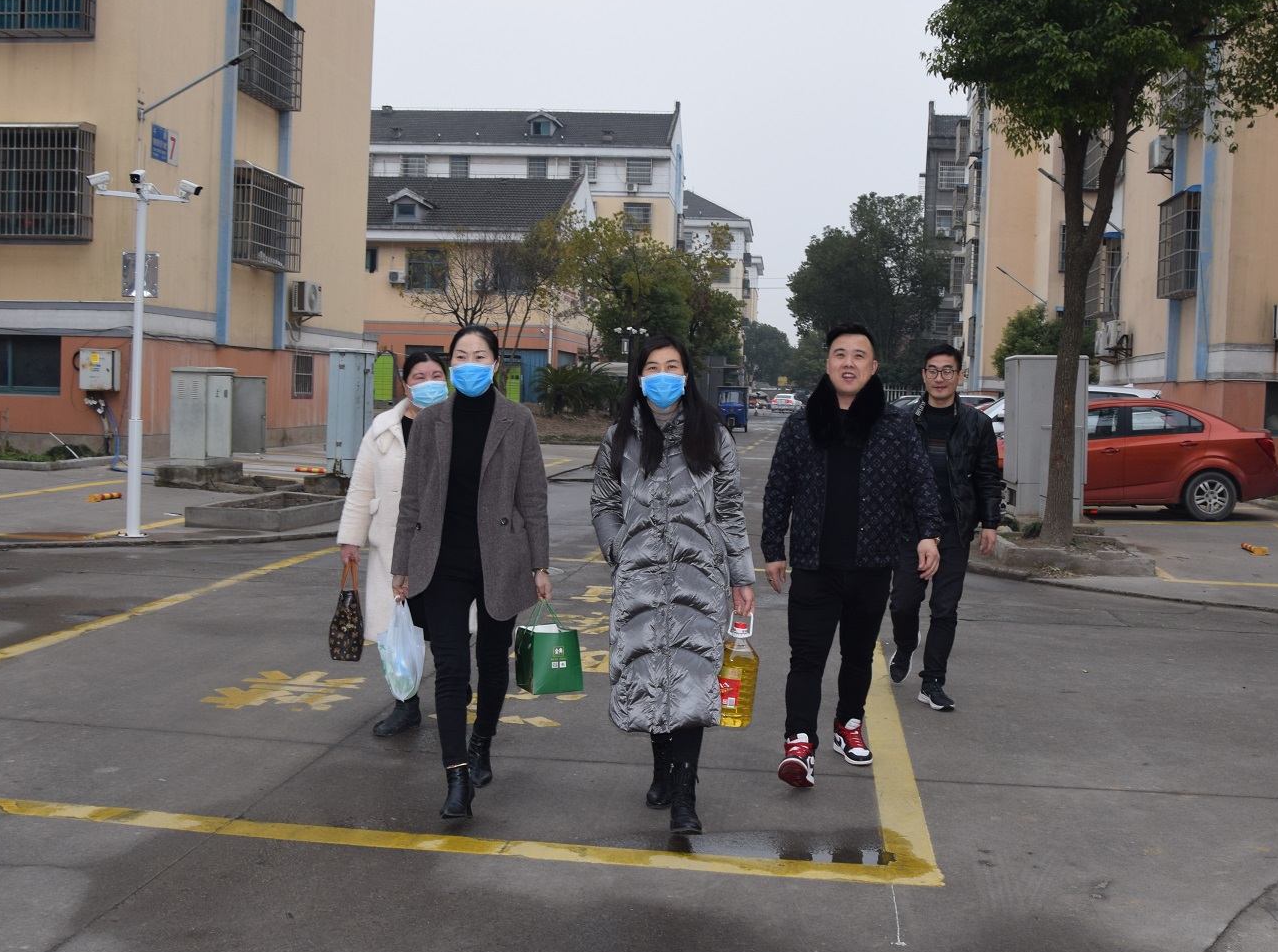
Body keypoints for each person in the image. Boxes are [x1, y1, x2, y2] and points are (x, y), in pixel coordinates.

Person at [761, 323, 943, 788]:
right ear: (827, 364)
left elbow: (921, 484)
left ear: (873, 366)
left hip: (872, 564)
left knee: (859, 655)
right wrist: (773, 550)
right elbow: (779, 490)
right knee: (806, 658)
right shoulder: (802, 424)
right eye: (840, 354)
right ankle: (799, 744)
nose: (849, 363)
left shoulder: (895, 426)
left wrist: (929, 534)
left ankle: (848, 724)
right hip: (813, 565)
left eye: (859, 355)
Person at [591, 334, 755, 835]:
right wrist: (619, 549)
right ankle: (661, 768)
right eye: (652, 368)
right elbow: (603, 503)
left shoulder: (713, 435)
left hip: (697, 581)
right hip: (639, 581)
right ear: (639, 377)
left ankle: (685, 793)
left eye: (672, 366)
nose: (662, 376)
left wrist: (741, 576)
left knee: (691, 681)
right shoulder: (619, 436)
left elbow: (730, 509)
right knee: (648, 675)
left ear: (686, 376)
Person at [391, 325, 551, 819]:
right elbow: (412, 497)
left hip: (500, 557)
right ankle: (456, 776)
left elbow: (533, 498)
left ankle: (482, 739)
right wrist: (401, 564)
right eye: (461, 356)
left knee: (493, 659)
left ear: (496, 364)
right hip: (441, 560)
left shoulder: (517, 420)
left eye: (480, 356)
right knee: (452, 669)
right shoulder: (431, 421)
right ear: (451, 365)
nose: (470, 364)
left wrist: (540, 564)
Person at [337, 349, 449, 737]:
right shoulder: (383, 428)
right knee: (396, 630)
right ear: (404, 384)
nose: (429, 383)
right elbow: (361, 485)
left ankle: (452, 694)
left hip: (446, 545)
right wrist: (350, 538)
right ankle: (405, 704)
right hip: (392, 543)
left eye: (437, 375)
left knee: (446, 629)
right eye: (419, 376)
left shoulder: (457, 423)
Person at [887, 343, 1002, 712]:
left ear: (960, 376)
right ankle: (906, 644)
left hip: (955, 527)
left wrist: (990, 523)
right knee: (903, 603)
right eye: (933, 371)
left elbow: (987, 477)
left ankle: (933, 681)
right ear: (923, 375)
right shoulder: (902, 421)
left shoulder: (977, 423)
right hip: (910, 527)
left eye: (947, 371)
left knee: (945, 608)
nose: (940, 378)